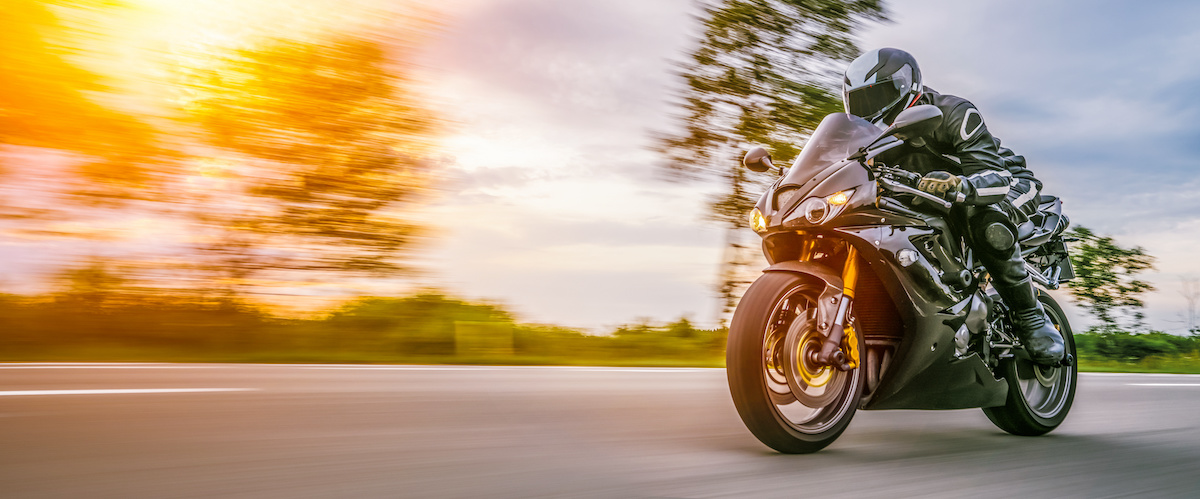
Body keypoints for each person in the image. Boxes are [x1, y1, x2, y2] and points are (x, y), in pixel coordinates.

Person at [841, 47, 1065, 366]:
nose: (871, 108)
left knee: (989, 223)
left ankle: (1031, 318)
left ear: (907, 86)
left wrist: (959, 184)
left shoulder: (953, 112)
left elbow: (996, 176)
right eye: (862, 100)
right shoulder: (870, 138)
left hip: (1005, 183)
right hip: (933, 191)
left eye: (880, 95)